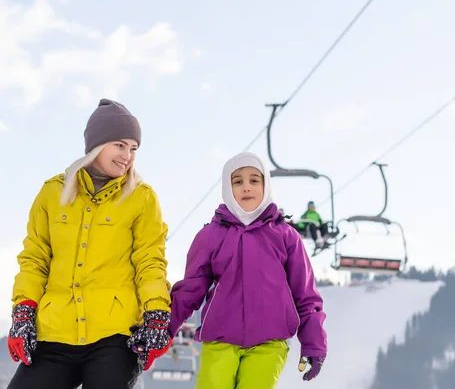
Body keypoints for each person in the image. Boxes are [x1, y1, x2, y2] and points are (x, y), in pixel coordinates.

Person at [7, 99, 173, 389]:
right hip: (54, 332)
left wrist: (156, 313)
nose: (127, 156)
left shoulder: (142, 198)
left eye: (133, 149)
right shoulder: (52, 193)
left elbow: (150, 261)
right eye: (120, 145)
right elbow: (35, 258)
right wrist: (23, 309)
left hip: (114, 336)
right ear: (97, 144)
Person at [168, 151, 327, 388]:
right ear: (226, 187)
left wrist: (313, 343)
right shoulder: (211, 236)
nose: (246, 187)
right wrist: (164, 328)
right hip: (220, 339)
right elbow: (190, 290)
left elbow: (305, 295)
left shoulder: (286, 236)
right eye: (238, 181)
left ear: (266, 186)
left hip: (269, 343)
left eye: (254, 180)